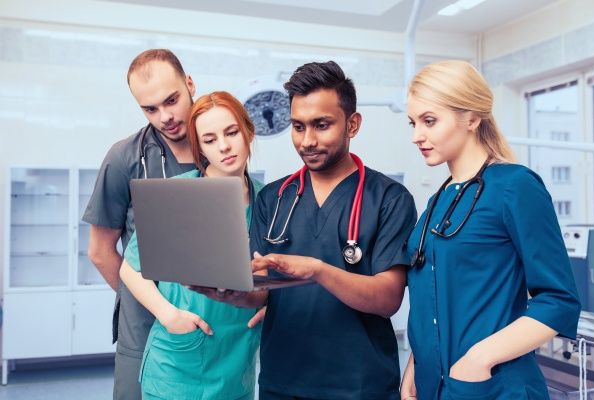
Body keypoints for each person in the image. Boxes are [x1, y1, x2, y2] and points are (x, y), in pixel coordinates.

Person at [194, 61, 418, 399]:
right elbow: (263, 292)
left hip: (360, 385)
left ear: (352, 125)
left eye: (321, 125)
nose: (307, 140)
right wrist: (235, 294)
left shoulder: (388, 198)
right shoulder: (273, 198)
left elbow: (388, 299)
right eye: (298, 127)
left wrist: (317, 271)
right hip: (282, 383)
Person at [400, 60, 581, 400]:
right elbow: (436, 300)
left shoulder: (515, 187)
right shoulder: (437, 204)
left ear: (471, 118)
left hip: (492, 386)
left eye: (429, 121)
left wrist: (478, 360)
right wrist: (416, 362)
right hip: (433, 385)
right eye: (413, 123)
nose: (416, 136)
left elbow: (559, 300)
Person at [119, 91, 264, 400]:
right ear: (200, 149)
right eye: (209, 140)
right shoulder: (177, 196)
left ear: (248, 131)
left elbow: (280, 272)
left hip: (237, 363)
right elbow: (130, 269)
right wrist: (168, 315)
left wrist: (270, 305)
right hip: (178, 363)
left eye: (231, 132)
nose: (224, 146)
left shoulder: (271, 200)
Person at [82, 49, 198, 400]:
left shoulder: (218, 148)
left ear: (190, 84)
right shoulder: (125, 158)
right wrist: (148, 302)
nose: (165, 117)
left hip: (208, 317)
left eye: (172, 100)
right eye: (150, 109)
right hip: (146, 324)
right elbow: (100, 252)